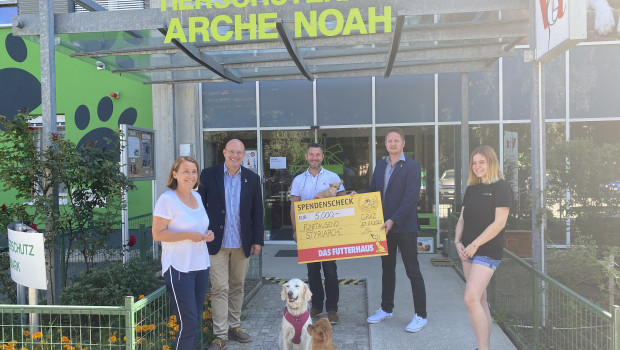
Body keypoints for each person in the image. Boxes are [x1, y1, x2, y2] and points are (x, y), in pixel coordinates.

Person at [198, 139, 264, 350]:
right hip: (216, 242)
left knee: (237, 287)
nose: (235, 156)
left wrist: (257, 240)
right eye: (231, 152)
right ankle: (220, 334)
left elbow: (258, 212)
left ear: (244, 155)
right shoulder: (209, 175)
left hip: (241, 242)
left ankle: (234, 326)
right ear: (224, 153)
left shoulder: (252, 179)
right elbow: (199, 206)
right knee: (219, 288)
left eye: (239, 153)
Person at [361, 128, 428, 333]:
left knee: (412, 271)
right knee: (387, 269)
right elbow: (373, 191)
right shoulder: (380, 165)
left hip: (405, 228)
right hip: (384, 228)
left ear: (403, 143)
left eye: (396, 140)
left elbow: (410, 199)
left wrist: (393, 220)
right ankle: (386, 309)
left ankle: (421, 315)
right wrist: (356, 195)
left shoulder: (412, 166)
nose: (392, 144)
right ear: (385, 144)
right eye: (389, 140)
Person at [152, 156, 215, 350]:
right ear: (175, 174)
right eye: (186, 171)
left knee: (195, 322)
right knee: (188, 324)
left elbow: (200, 226)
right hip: (179, 268)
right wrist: (188, 235)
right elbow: (157, 234)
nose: (191, 175)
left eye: (194, 171)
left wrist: (208, 234)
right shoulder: (167, 199)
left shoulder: (196, 196)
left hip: (200, 266)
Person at [455, 145, 513, 350]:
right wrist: (457, 242)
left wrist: (474, 245)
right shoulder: (471, 189)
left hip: (486, 252)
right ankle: (484, 345)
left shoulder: (501, 187)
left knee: (470, 299)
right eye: (474, 162)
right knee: (480, 299)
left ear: (491, 162)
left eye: (482, 162)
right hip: (466, 251)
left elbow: (499, 223)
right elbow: (462, 218)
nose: (477, 166)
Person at [290, 143, 345, 325]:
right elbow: (294, 206)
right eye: (311, 155)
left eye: (318, 155)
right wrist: (295, 229)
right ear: (306, 157)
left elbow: (344, 202)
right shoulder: (298, 180)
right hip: (308, 234)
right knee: (312, 272)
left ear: (322, 157)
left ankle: (332, 309)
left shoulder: (333, 177)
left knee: (330, 272)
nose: (315, 158)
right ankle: (316, 306)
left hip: (329, 233)